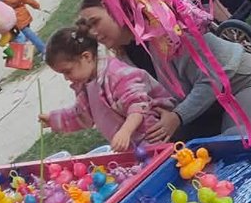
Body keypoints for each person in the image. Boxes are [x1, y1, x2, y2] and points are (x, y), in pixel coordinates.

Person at [76, 0, 251, 138]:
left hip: (248, 87)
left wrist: (177, 116)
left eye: (95, 22)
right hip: (207, 111)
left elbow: (214, 78)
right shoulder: (126, 56)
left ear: (119, 11)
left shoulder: (170, 34)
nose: (94, 34)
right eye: (88, 29)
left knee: (235, 145)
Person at [39, 28, 173, 154]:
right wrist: (53, 119)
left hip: (154, 139)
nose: (66, 78)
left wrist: (125, 131)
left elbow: (138, 106)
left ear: (86, 57)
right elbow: (81, 115)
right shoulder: (85, 84)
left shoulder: (116, 74)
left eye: (67, 71)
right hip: (132, 148)